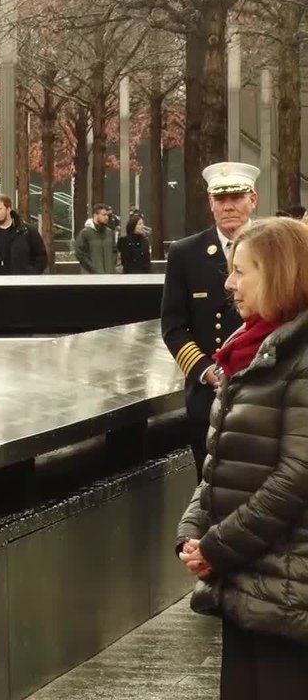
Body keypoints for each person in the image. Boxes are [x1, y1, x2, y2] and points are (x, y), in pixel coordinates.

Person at [176, 216, 308, 698]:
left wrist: (217, 546)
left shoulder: (299, 356)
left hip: (288, 592)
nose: (230, 284)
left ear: (278, 273)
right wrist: (193, 532)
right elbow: (221, 462)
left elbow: (296, 477)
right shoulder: (248, 347)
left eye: (241, 271)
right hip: (247, 579)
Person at [161, 161, 257, 481]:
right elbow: (173, 326)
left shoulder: (275, 247)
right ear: (210, 204)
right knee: (211, 488)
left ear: (253, 200)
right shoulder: (185, 253)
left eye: (237, 197)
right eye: (220, 199)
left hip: (264, 388)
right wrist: (205, 370)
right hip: (210, 395)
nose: (228, 206)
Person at [75, 203, 117, 274]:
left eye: (107, 215)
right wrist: (92, 268)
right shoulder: (85, 233)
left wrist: (112, 265)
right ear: (95, 215)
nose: (106, 217)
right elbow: (80, 254)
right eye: (103, 215)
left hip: (109, 276)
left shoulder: (110, 233)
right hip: (92, 277)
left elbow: (114, 251)